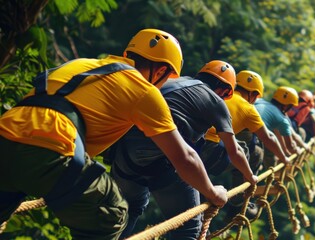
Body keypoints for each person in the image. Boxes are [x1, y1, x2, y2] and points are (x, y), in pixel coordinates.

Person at [1, 29, 225, 239]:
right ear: (161, 71)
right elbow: (184, 157)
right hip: (50, 148)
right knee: (112, 211)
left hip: (6, 139)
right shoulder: (143, 90)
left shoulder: (82, 65)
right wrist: (212, 192)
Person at [108, 60, 257, 239]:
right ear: (226, 91)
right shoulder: (216, 101)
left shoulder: (172, 82)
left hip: (124, 158)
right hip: (163, 161)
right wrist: (249, 177)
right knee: (188, 229)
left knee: (129, 211)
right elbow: (235, 151)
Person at [200, 70, 290, 216]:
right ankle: (238, 202)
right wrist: (284, 158)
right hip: (208, 152)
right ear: (253, 94)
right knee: (251, 152)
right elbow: (269, 138)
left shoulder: (222, 94)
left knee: (237, 143)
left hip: (189, 145)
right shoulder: (248, 109)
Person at [254, 86, 304, 169]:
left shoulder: (259, 101)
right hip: (254, 138)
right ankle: (273, 178)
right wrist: (297, 151)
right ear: (286, 106)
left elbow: (278, 133)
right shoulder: (282, 119)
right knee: (265, 152)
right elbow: (290, 146)